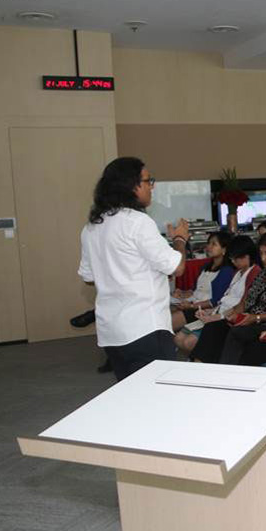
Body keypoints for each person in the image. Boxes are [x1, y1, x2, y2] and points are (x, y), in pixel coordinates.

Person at [78, 157, 190, 381]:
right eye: (148, 181)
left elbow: (89, 278)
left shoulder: (92, 226)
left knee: (132, 398)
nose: (152, 186)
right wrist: (180, 239)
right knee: (158, 398)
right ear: (131, 185)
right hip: (144, 328)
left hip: (112, 332)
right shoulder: (137, 222)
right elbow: (177, 267)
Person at [192, 229, 266, 363]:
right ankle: (204, 367)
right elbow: (245, 300)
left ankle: (227, 371)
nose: (263, 258)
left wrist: (256, 318)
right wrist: (232, 314)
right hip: (248, 319)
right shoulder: (262, 274)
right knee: (214, 327)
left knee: (237, 332)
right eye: (261, 253)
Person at [176, 235, 260, 357]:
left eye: (235, 258)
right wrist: (210, 312)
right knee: (179, 338)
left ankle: (201, 361)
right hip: (219, 312)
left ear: (246, 257)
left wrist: (216, 316)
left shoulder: (254, 273)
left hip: (227, 318)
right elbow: (223, 300)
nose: (232, 261)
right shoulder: (237, 272)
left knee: (188, 342)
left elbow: (242, 305)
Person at [169, 231, 234, 331]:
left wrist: (191, 306)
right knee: (168, 310)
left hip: (202, 310)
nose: (209, 247)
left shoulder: (226, 271)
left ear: (224, 249)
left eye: (214, 244)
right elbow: (195, 290)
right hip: (193, 303)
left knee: (169, 321)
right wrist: (181, 293)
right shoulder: (205, 267)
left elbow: (215, 301)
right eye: (209, 243)